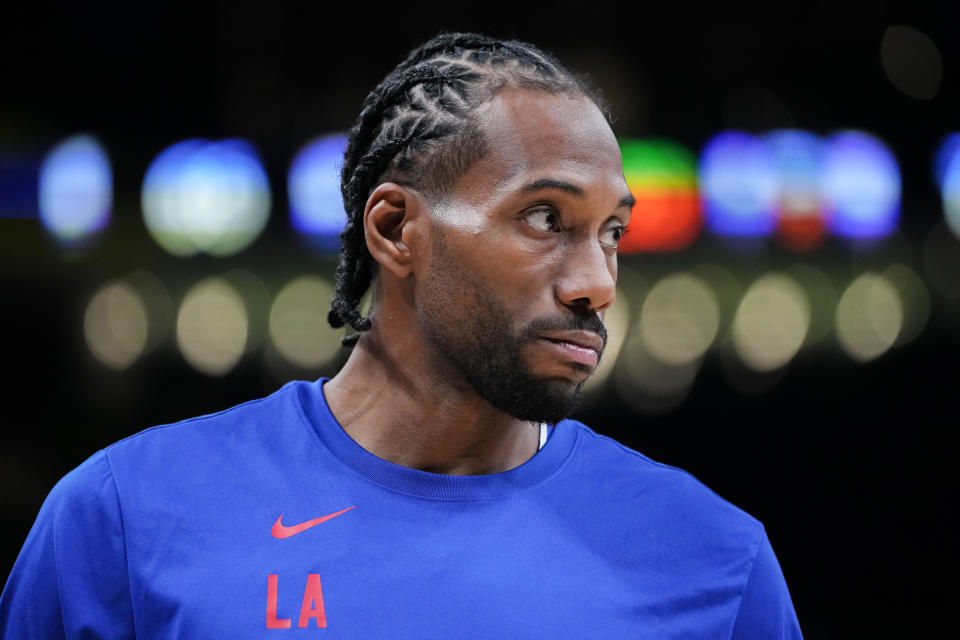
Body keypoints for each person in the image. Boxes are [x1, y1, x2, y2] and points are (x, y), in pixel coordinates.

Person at [1, 33, 802, 638]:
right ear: (394, 228)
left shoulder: (717, 563)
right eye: (545, 217)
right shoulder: (123, 519)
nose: (594, 279)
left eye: (612, 233)